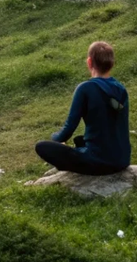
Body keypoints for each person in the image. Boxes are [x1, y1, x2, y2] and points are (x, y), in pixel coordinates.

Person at [34, 40, 130, 175]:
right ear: (112, 63)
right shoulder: (120, 88)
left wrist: (55, 138)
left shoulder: (85, 88)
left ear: (89, 62)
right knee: (80, 140)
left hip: (100, 162)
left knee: (42, 147)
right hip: (122, 160)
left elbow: (67, 131)